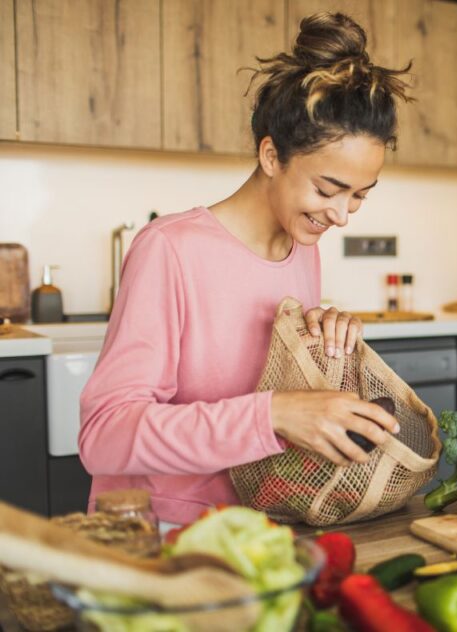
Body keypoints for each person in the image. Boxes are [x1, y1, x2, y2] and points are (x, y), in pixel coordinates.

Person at [79, 12, 412, 525]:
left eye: (359, 196)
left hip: (262, 523)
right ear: (272, 155)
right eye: (327, 189)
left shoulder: (304, 248)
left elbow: (274, 394)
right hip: (164, 533)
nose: (342, 215)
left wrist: (324, 353)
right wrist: (275, 413)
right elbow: (104, 435)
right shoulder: (170, 249)